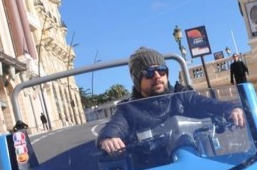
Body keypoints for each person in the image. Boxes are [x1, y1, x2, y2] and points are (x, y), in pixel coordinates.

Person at [99, 47, 244, 156]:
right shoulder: (128, 109)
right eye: (149, 73)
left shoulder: (181, 94)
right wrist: (107, 138)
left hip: (196, 156)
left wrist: (232, 108)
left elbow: (206, 103)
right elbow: (115, 126)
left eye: (161, 70)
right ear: (138, 80)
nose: (157, 76)